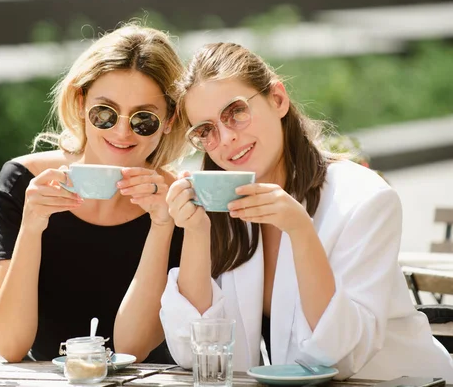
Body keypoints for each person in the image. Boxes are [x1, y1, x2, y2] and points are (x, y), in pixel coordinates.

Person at [161, 42, 453, 381]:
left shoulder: (364, 198)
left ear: (278, 100)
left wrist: (301, 231)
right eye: (206, 130)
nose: (226, 138)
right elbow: (194, 351)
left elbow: (337, 357)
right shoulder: (226, 204)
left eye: (236, 112)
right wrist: (196, 231)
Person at [0, 23, 190, 364]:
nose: (122, 132)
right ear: (81, 103)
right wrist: (32, 225)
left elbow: (132, 348)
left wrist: (162, 224)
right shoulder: (25, 181)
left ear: (169, 120)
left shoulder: (177, 200)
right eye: (105, 114)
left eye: (144, 119)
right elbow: (10, 345)